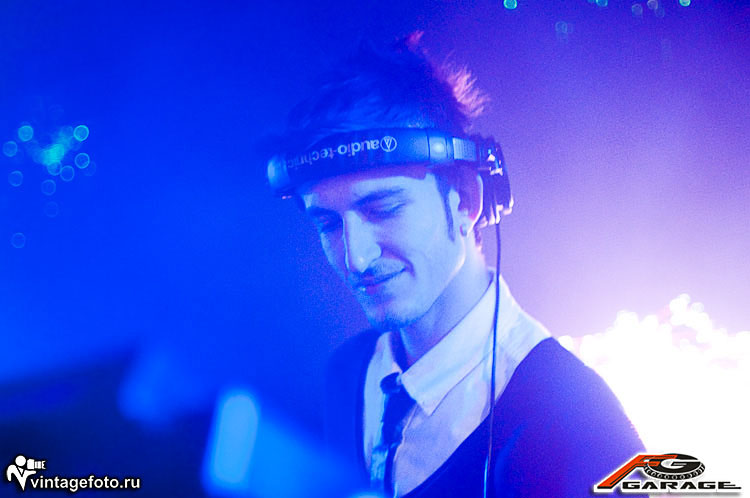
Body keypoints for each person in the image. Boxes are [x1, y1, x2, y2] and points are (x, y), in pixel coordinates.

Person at [266, 34, 644, 497]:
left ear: (466, 200)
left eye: (384, 209)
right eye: (328, 223)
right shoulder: (346, 373)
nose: (356, 257)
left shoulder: (577, 426)